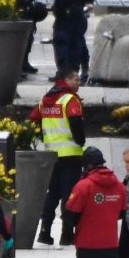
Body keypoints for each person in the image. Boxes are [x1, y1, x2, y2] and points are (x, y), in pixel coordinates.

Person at [32, 64, 85, 246]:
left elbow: (33, 119)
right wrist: (81, 141)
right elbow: (76, 124)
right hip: (70, 154)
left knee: (52, 193)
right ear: (66, 80)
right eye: (76, 78)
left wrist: (42, 136)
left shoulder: (46, 99)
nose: (79, 81)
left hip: (51, 154)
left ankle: (45, 231)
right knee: (69, 194)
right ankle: (67, 234)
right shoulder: (69, 100)